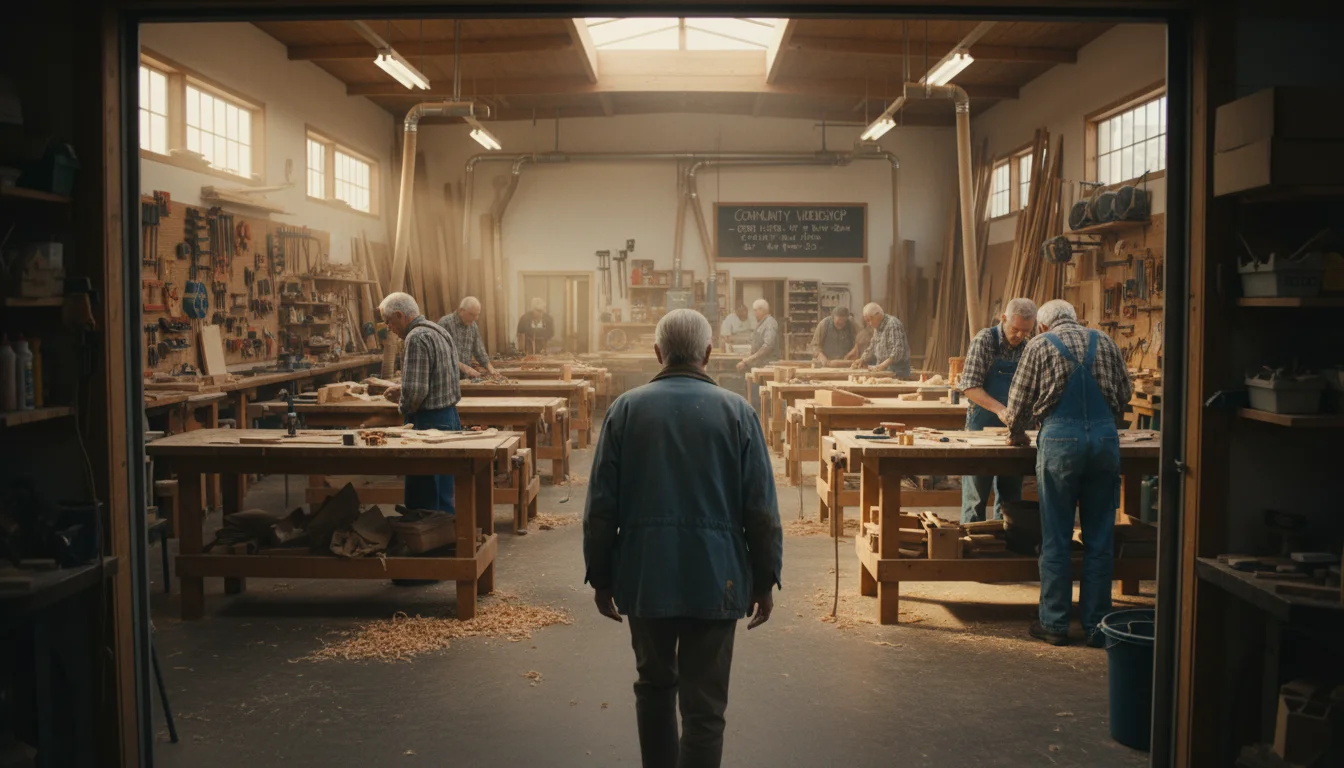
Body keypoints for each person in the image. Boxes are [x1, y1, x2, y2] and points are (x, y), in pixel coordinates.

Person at [584, 308, 783, 768]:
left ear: (657, 353)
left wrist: (602, 576)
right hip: (718, 577)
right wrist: (764, 579)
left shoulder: (625, 410)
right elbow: (761, 510)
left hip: (646, 573)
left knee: (654, 689)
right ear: (709, 354)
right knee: (705, 707)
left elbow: (600, 508)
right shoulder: (738, 412)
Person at [1003, 299, 1132, 648]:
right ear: (1077, 319)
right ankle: (1097, 626)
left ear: (1043, 326)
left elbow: (1018, 404)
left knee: (1057, 535)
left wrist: (1017, 433)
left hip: (1060, 440)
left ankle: (1055, 624)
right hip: (1105, 441)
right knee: (1100, 536)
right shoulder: (1105, 341)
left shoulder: (1039, 345)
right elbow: (1125, 394)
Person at [379, 292, 462, 515]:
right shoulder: (439, 330)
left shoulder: (416, 337)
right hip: (449, 418)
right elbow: (437, 379)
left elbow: (416, 393)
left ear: (399, 315)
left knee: (423, 496)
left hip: (429, 424)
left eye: (389, 321)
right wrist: (403, 389)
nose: (389, 327)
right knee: (443, 493)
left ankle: (424, 543)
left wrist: (402, 403)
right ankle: (445, 539)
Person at [958, 298, 1038, 524]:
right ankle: (973, 545)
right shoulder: (985, 340)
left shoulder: (1028, 346)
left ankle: (1006, 546)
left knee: (1011, 497)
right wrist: (1001, 410)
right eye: (1015, 329)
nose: (1020, 335)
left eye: (1026, 330)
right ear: (1003, 319)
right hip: (982, 425)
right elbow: (970, 386)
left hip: (1014, 430)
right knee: (976, 495)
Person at [439, 296, 498, 379]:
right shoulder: (445, 324)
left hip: (464, 377)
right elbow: (441, 354)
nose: (475, 318)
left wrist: (490, 368)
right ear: (461, 311)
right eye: (472, 315)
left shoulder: (473, 326)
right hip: (448, 377)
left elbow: (479, 349)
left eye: (477, 315)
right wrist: (465, 368)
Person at [851, 303, 912, 379]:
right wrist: (862, 359)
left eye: (870, 320)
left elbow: (898, 351)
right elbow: (872, 347)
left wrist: (881, 366)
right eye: (867, 321)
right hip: (885, 369)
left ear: (878, 314)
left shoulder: (893, 324)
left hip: (897, 370)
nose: (869, 323)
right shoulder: (878, 327)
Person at [734, 299, 779, 372]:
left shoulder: (770, 323)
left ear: (762, 310)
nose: (754, 313)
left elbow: (768, 345)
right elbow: (752, 340)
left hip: (768, 365)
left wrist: (751, 358)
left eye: (755, 310)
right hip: (760, 364)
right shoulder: (761, 323)